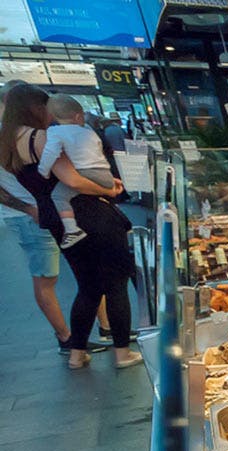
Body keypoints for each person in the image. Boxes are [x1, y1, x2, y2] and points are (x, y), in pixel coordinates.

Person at [0, 84, 136, 369]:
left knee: (88, 285)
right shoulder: (40, 138)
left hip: (56, 217)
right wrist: (109, 189)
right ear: (36, 108)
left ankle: (76, 353)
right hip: (87, 213)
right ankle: (122, 352)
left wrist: (27, 208)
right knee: (116, 281)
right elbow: (72, 180)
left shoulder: (8, 143)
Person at [38, 94, 117, 248]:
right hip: (104, 173)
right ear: (78, 116)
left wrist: (44, 170)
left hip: (84, 172)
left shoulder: (55, 132)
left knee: (58, 196)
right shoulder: (88, 130)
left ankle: (72, 230)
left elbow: (50, 154)